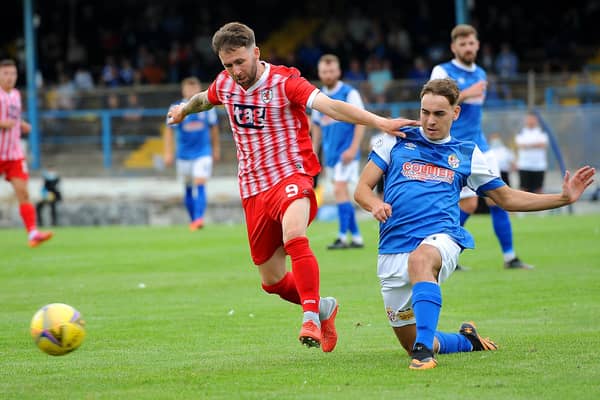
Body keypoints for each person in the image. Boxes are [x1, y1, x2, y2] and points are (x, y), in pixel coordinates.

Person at [167, 22, 419, 351]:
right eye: (227, 65)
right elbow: (204, 97)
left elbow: (331, 106)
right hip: (253, 188)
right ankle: (325, 307)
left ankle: (311, 317)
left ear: (255, 52)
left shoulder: (285, 81)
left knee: (294, 234)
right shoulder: (225, 84)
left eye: (240, 62)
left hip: (291, 174)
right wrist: (184, 110)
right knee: (271, 281)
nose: (235, 71)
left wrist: (380, 121)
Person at [354, 78, 595, 370]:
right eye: (425, 112)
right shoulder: (395, 139)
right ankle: (465, 341)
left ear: (456, 113)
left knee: (420, 261)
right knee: (412, 340)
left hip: (440, 238)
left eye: (439, 114)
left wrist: (562, 198)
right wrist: (375, 204)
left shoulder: (467, 154)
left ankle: (423, 356)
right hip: (392, 248)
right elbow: (362, 189)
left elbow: (505, 198)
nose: (430, 121)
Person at [430, 24, 532, 270]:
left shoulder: (481, 73)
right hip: (454, 148)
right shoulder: (442, 70)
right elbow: (435, 101)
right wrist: (466, 93)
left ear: (477, 45)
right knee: (468, 204)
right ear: (454, 47)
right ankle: (443, 253)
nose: (467, 48)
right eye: (462, 44)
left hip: (482, 148)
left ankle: (510, 256)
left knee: (499, 198)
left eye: (471, 43)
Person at [311, 54, 365, 250]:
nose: (328, 74)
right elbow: (316, 126)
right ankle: (357, 237)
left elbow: (360, 121)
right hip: (331, 155)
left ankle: (342, 236)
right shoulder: (318, 98)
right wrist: (314, 151)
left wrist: (353, 148)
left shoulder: (349, 94)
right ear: (319, 73)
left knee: (340, 191)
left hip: (345, 153)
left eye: (331, 70)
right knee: (340, 193)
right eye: (324, 71)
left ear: (338, 71)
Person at [0, 59, 53, 247]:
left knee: (23, 192)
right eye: (5, 73)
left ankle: (32, 233)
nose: (10, 77)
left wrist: (21, 124)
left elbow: (13, 116)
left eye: (13, 74)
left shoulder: (15, 95)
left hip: (14, 154)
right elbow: (4, 120)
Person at [164, 76, 221, 231]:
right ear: (183, 90)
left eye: (194, 88)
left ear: (198, 89)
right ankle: (193, 219)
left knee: (200, 183)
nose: (191, 91)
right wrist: (168, 152)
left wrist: (216, 149)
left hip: (203, 153)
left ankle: (199, 219)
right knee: (188, 188)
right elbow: (169, 131)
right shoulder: (176, 107)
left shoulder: (207, 109)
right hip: (183, 155)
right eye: (188, 88)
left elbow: (214, 129)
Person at [515, 112, 549, 193]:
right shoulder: (521, 132)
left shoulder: (542, 132)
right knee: (523, 190)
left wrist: (528, 145)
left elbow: (543, 145)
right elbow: (521, 145)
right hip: (524, 166)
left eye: (533, 119)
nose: (531, 121)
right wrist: (535, 144)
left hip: (539, 166)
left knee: (538, 190)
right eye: (529, 119)